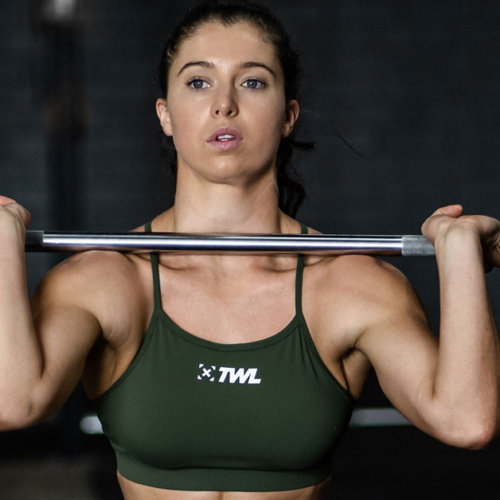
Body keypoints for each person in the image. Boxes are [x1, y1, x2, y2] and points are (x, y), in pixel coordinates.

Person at [1, 0, 499, 498]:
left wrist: (460, 258)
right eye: (198, 82)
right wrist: (2, 242)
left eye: (253, 81)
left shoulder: (351, 285)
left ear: (288, 116)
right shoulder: (105, 280)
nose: (224, 104)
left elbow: (466, 422)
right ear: (165, 115)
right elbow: (14, 402)